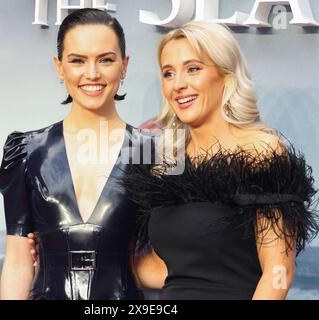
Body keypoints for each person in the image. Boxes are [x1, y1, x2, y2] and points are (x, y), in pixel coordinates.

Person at [119, 21, 319, 299]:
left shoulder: (261, 151)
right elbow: (169, 270)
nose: (178, 84)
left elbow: (278, 274)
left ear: (226, 74)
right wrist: (65, 254)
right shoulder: (164, 161)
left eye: (193, 69)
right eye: (168, 73)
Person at [0, 8, 155, 300]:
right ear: (60, 67)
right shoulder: (26, 152)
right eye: (77, 60)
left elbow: (176, 259)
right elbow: (18, 262)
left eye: (106, 60)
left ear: (124, 65)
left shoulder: (154, 153)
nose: (92, 73)